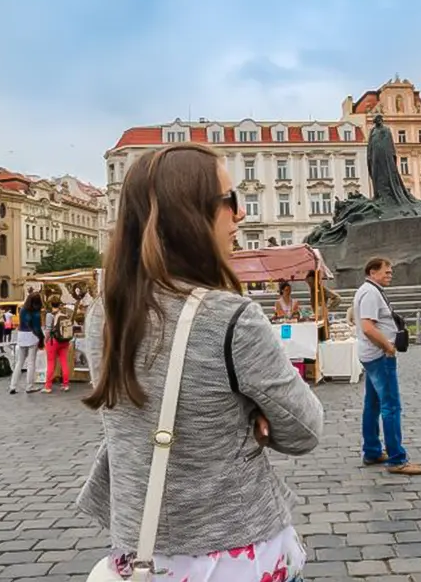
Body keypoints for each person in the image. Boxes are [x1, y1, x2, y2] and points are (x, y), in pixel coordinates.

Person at [78, 142, 323, 581]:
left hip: (142, 550)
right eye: (231, 200)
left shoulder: (105, 312)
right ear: (190, 215)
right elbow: (305, 428)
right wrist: (254, 414)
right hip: (232, 551)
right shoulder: (230, 317)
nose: (241, 214)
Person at [355, 257, 421, 474]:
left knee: (373, 404)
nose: (390, 275)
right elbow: (368, 327)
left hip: (372, 354)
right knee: (391, 406)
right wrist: (387, 346)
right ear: (372, 271)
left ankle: (372, 450)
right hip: (379, 356)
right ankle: (397, 459)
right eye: (386, 272)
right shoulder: (370, 293)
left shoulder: (369, 291)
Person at [9, 292, 44, 394]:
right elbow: (37, 328)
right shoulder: (36, 313)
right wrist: (41, 338)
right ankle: (29, 386)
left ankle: (13, 385)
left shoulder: (23, 310)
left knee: (19, 362)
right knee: (31, 362)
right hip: (32, 336)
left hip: (21, 335)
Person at [44, 302, 73, 393]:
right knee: (64, 362)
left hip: (53, 341)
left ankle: (48, 386)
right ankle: (65, 384)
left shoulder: (50, 315)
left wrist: (45, 340)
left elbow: (48, 330)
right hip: (64, 341)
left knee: (51, 362)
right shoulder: (64, 315)